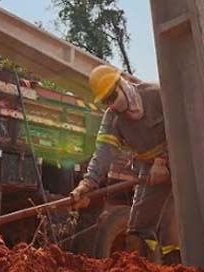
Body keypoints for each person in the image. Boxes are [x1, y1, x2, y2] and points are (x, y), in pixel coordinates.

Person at [69, 65, 179, 263]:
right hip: (149, 168)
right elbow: (104, 151)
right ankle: (147, 265)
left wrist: (163, 160)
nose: (112, 105)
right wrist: (87, 184)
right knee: (138, 231)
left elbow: (181, 126)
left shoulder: (156, 95)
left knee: (177, 225)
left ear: (122, 84)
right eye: (106, 102)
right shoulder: (113, 119)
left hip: (182, 159)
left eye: (113, 97)